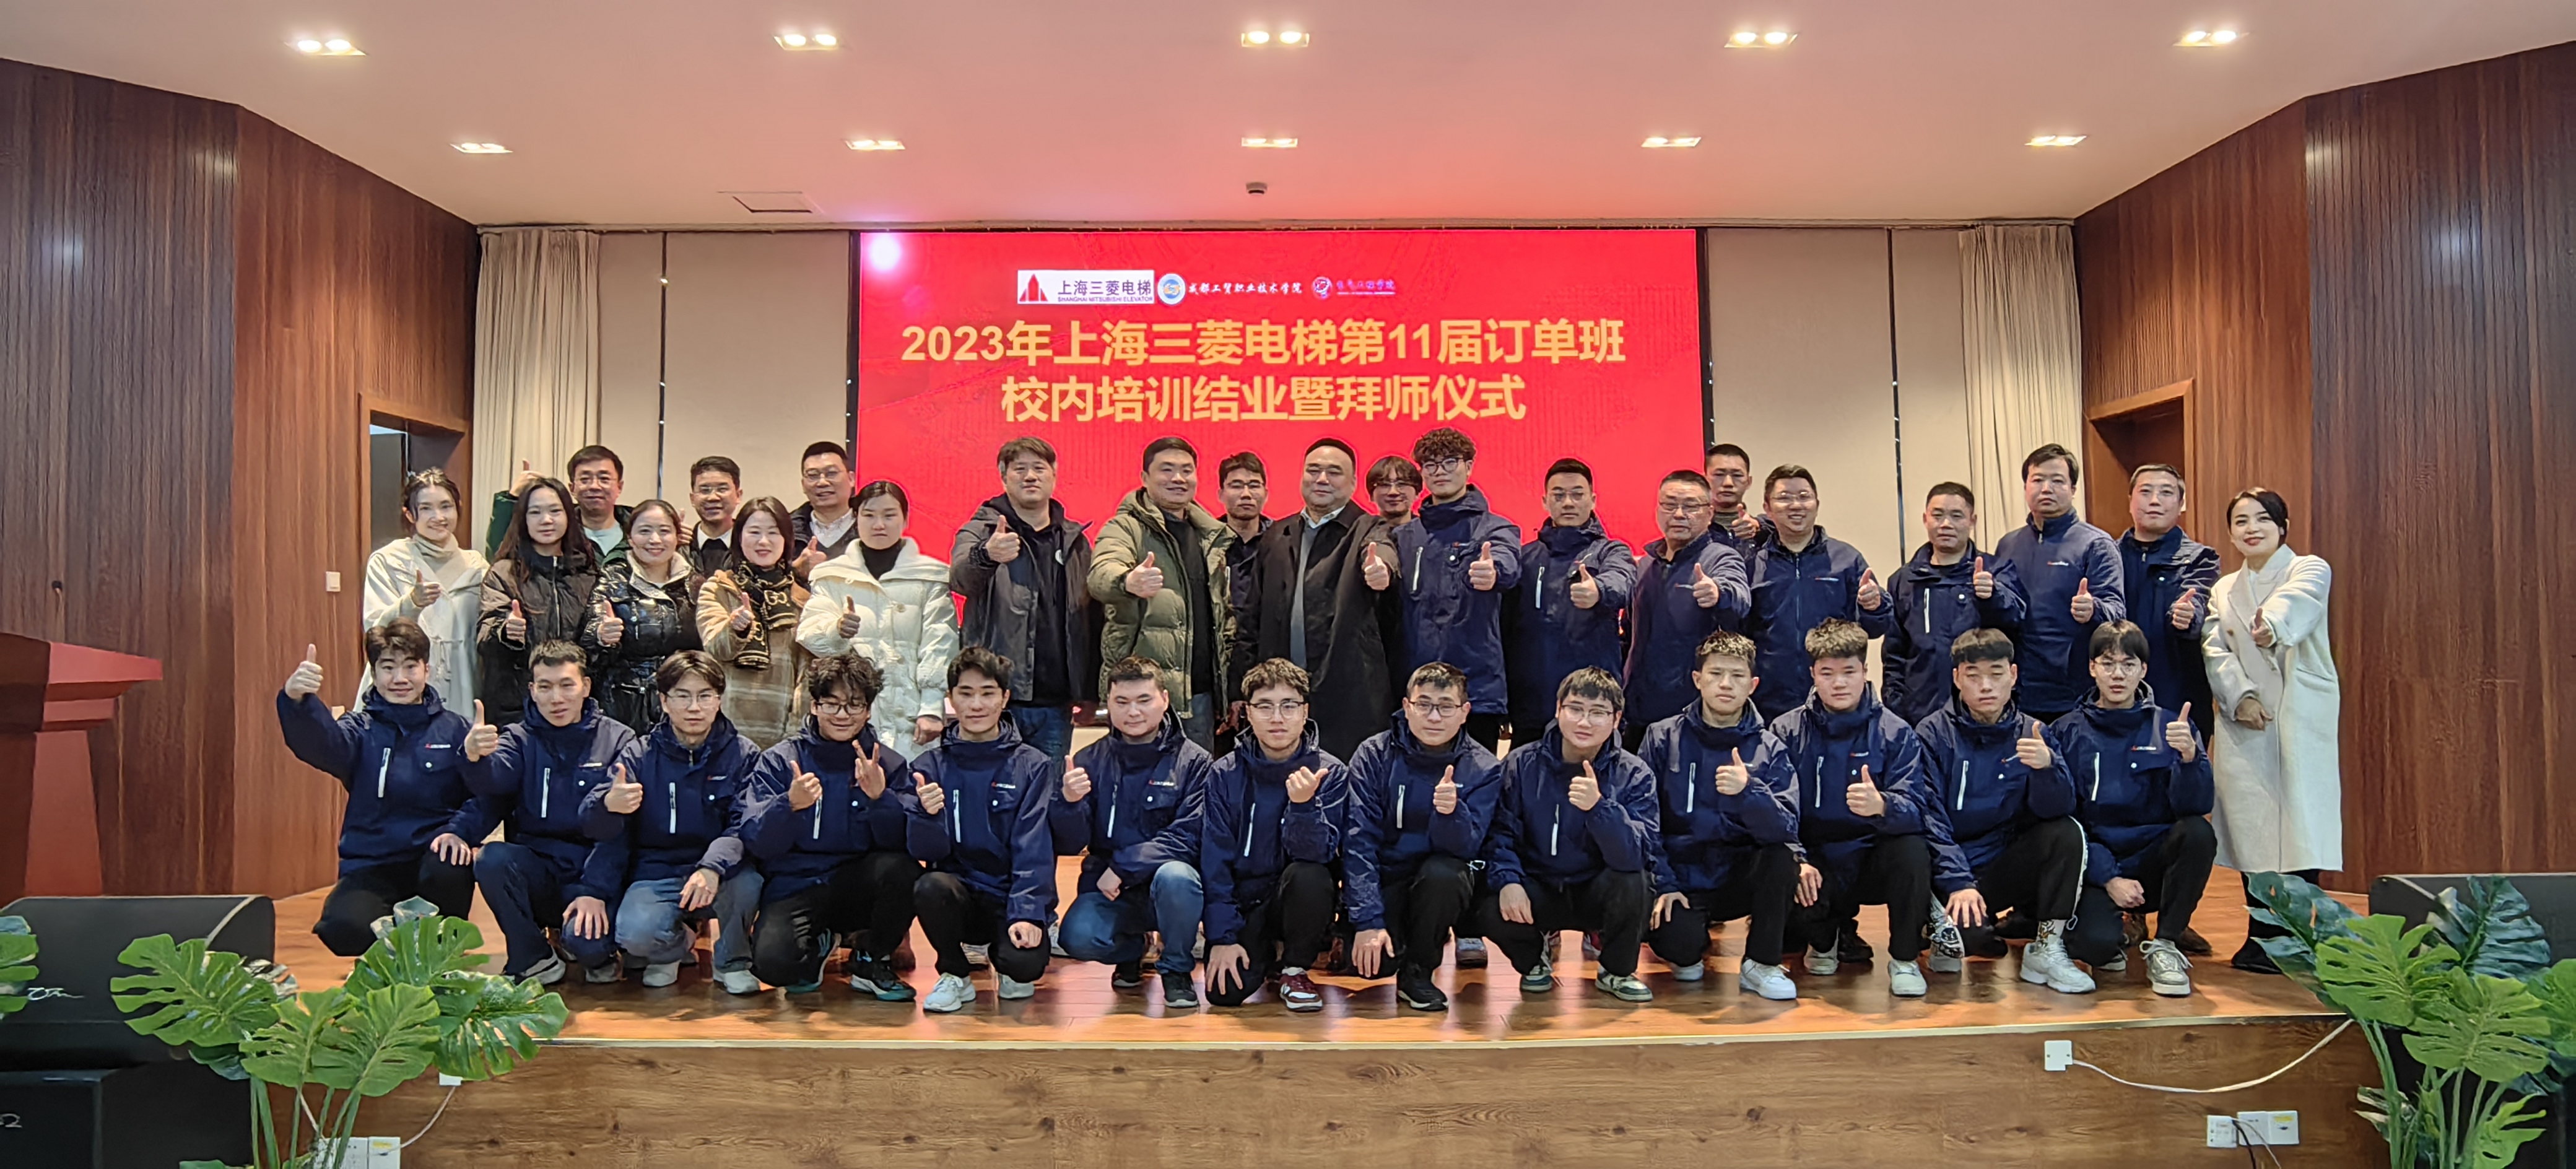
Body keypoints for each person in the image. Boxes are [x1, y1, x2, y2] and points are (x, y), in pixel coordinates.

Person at [276, 621, 480, 956]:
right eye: (388, 668)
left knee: (451, 862)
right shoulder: (359, 728)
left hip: (433, 860)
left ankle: (435, 948)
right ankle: (399, 941)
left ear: (426, 670)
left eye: (410, 667)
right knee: (342, 929)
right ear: (374, 674)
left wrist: (461, 831)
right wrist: (297, 700)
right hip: (372, 863)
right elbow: (323, 745)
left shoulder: (455, 729)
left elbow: (481, 795)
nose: (400, 678)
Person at [2203, 487, 2340, 975]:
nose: (2252, 528)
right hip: (2245, 719)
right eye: (2241, 521)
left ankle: (2299, 936)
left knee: (2299, 826)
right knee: (2252, 828)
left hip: (2298, 712)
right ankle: (2261, 936)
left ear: (2282, 527)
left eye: (2263, 519)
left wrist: (2271, 628)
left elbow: (2294, 605)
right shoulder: (2223, 589)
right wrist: (2239, 697)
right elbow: (2215, 649)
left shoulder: (2309, 568)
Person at [1910, 629, 2093, 994]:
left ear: (2013, 675)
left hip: (2001, 865)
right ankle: (1942, 926)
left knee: (2066, 831)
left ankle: (2047, 947)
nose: (1986, 686)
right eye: (1973, 676)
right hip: (1951, 871)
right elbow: (1929, 819)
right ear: (1957, 678)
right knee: (1967, 942)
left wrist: (2047, 770)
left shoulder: (2034, 732)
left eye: (1996, 674)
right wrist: (1958, 882)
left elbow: (2057, 810)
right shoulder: (1931, 733)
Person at [1772, 620, 1940, 998]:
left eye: (1849, 672)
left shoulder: (1896, 732)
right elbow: (1777, 809)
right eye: (1827, 673)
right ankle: (1824, 939)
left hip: (1870, 858)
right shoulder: (1786, 731)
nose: (1839, 683)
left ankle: (1905, 960)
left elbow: (1918, 809)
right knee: (1779, 866)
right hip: (1816, 861)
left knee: (1912, 849)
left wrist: (1884, 805)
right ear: (1813, 674)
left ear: (1865, 671)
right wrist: (1797, 858)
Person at [579, 651, 765, 992]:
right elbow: (593, 821)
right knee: (633, 933)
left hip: (721, 868)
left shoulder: (744, 754)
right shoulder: (639, 753)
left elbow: (744, 824)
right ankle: (674, 949)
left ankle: (732, 960)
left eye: (705, 696)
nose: (694, 708)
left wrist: (711, 867)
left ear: (719, 700)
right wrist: (608, 804)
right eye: (682, 696)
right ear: (664, 701)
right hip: (658, 870)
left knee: (749, 884)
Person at [739, 654, 921, 999]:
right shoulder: (779, 760)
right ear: (814, 706)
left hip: (857, 884)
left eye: (854, 705)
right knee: (774, 968)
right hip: (796, 883)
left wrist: (880, 799)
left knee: (905, 871)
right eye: (832, 704)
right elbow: (756, 842)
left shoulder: (888, 764)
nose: (842, 714)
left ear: (868, 711)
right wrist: (788, 805)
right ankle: (820, 944)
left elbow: (908, 843)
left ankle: (870, 957)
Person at [1473, 667, 1659, 1002]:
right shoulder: (1520, 764)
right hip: (1539, 886)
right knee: (1486, 901)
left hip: (1595, 889)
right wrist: (1509, 882)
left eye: (1598, 712)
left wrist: (1600, 809)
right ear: (1558, 709)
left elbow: (1635, 855)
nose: (1584, 722)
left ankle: (1616, 971)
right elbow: (1499, 834)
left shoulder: (1634, 773)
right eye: (1575, 709)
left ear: (1616, 719)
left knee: (1636, 881)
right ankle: (1534, 960)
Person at [1638, 632, 1803, 1001]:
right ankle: (1689, 944)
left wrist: (1749, 792)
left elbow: (1785, 828)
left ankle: (1761, 964)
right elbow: (1645, 823)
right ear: (1698, 679)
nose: (1726, 684)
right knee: (1681, 950)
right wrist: (1664, 884)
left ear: (1753, 685)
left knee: (1782, 856)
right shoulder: (1662, 738)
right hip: (1682, 879)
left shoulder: (1770, 747)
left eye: (1737, 676)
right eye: (1715, 674)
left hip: (1739, 877)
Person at [459, 640, 637, 983]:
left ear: (586, 687)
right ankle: (533, 957)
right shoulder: (518, 738)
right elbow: (494, 780)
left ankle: (584, 942)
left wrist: (594, 891)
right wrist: (474, 757)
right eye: (545, 687)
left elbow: (622, 832)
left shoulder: (620, 740)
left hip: (591, 869)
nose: (557, 699)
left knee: (589, 949)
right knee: (492, 859)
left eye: (567, 685)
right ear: (532, 691)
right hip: (539, 869)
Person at [2053, 622, 2214, 997]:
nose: (2118, 675)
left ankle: (2167, 943)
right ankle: (2110, 933)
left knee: (2198, 832)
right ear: (2092, 668)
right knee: (2094, 946)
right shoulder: (2066, 732)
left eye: (2128, 665)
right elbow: (2067, 822)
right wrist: (2109, 877)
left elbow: (2196, 806)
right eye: (2108, 664)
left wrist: (2189, 758)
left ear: (2143, 670)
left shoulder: (2171, 726)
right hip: (2096, 865)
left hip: (2153, 860)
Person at [1050, 656, 1212, 1010]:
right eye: (1121, 702)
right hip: (1109, 890)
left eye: (1143, 700)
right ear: (1108, 704)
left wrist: (1125, 866)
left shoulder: (1195, 761)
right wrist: (1069, 803)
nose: (1133, 712)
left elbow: (1189, 835)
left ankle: (1176, 969)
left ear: (1165, 700)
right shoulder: (1089, 759)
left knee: (1178, 876)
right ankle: (1133, 949)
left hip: (1167, 889)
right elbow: (1070, 842)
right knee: (1076, 937)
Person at [904, 646, 1060, 1013]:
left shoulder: (1033, 765)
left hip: (1008, 899)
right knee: (929, 886)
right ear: (951, 699)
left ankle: (1003, 959)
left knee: (1023, 969)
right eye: (966, 693)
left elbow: (1034, 847)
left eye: (988, 693)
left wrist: (1026, 912)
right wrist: (926, 815)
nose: (976, 705)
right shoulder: (929, 766)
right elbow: (925, 852)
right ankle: (954, 973)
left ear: (1004, 698)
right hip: (961, 898)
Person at [1227, 438, 1402, 762]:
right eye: (1314, 470)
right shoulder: (1276, 535)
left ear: (1353, 483)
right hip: (1281, 697)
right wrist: (1240, 686)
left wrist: (1382, 569)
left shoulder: (1368, 528)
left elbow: (1382, 551)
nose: (1322, 479)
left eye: (1334, 472)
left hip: (1349, 696)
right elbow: (1250, 619)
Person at [1344, 663, 1504, 1012]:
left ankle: (1419, 972)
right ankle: (1374, 937)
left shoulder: (1484, 768)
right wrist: (1368, 921)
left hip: (1439, 883)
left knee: (1447, 874)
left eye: (1446, 707)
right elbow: (1358, 841)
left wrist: (1451, 814)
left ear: (1465, 712)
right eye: (1424, 705)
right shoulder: (1373, 755)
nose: (1434, 717)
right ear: (1406, 706)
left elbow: (1468, 849)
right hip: (1388, 878)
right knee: (1371, 967)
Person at [1201, 658, 1349, 1011]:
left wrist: (1303, 806)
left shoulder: (1330, 772)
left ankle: (1295, 967)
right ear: (1248, 713)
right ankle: (1268, 956)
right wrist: (1223, 937)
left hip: (1298, 898)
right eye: (1265, 707)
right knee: (1224, 994)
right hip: (1246, 905)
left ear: (1305, 712)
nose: (1277, 718)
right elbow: (1214, 860)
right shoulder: (1223, 774)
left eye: (1289, 706)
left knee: (1310, 875)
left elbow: (1320, 854)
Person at [951, 437, 1096, 760]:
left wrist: (1088, 690)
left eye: (1039, 468)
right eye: (1020, 469)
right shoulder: (982, 529)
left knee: (1048, 788)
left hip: (1056, 703)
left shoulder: (1075, 540)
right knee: (993, 786)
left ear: (1054, 474)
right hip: (996, 697)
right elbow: (959, 579)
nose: (1030, 476)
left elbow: (1088, 618)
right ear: (1004, 477)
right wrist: (986, 555)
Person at [1089, 437, 1235, 749]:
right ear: (1145, 478)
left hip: (1200, 697)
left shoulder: (1209, 535)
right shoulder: (1125, 527)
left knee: (1196, 777)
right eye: (1166, 470)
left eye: (1187, 470)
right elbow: (1100, 575)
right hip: (1140, 696)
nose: (1178, 478)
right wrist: (1127, 581)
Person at [797, 480, 957, 752]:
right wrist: (837, 630)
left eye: (889, 515)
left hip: (911, 715)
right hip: (847, 715)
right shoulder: (832, 575)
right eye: (869, 515)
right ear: (856, 518)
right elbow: (809, 634)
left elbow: (941, 643)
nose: (879, 524)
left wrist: (932, 707)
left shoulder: (931, 576)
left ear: (906, 519)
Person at [1393, 428, 1523, 752]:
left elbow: (1507, 561)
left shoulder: (1495, 528)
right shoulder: (1405, 536)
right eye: (1431, 465)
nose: (1440, 471)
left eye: (1450, 462)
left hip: (1475, 692)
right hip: (1416, 691)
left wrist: (1493, 571)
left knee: (1475, 780)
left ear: (1469, 466)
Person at [1745, 466, 1895, 721]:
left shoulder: (1846, 559)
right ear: (1767, 509)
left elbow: (1874, 628)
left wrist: (1874, 606)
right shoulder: (1753, 566)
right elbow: (1741, 634)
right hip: (1769, 702)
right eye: (1784, 498)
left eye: (1804, 496)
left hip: (1835, 698)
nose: (1796, 505)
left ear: (1817, 504)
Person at [1505, 458, 1638, 742]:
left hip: (1591, 705)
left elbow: (1623, 580)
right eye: (1559, 495)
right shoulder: (1524, 558)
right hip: (1531, 706)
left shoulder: (1610, 551)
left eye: (1577, 494)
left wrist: (1599, 589)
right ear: (1545, 501)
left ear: (1593, 500)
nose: (1568, 503)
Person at [1995, 443, 2126, 721]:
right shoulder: (2008, 544)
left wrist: (2094, 609)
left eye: (2057, 481)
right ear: (2025, 486)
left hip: (2076, 694)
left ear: (2073, 489)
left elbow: (2117, 611)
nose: (2046, 489)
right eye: (2038, 480)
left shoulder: (2096, 544)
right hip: (2019, 691)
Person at [1622, 470, 1752, 745]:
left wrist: (1718, 593)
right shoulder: (1645, 565)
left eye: (1691, 506)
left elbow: (1740, 598)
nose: (1679, 514)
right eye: (1670, 505)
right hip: (1637, 711)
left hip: (1692, 714)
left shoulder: (1720, 557)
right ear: (1658, 510)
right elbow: (1629, 633)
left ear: (1709, 513)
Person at [1882, 482, 2027, 725]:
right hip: (1921, 713)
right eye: (1938, 515)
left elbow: (2016, 622)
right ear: (1925, 519)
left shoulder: (1996, 570)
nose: (1946, 524)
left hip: (1984, 713)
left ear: (1972, 521)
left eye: (1956, 516)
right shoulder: (1903, 580)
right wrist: (1896, 708)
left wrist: (1992, 596)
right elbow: (1894, 655)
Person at [360, 467, 488, 720]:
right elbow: (375, 629)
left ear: (458, 508)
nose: (438, 517)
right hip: (402, 685)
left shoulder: (478, 567)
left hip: (463, 684)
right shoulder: (389, 561)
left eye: (446, 506)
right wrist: (411, 603)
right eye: (426, 508)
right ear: (410, 514)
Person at [476, 477, 603, 726]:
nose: (546, 520)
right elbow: (485, 639)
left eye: (555, 511)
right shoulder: (504, 573)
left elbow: (597, 654)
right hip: (517, 710)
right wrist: (505, 632)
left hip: (576, 707)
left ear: (569, 515)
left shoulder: (589, 573)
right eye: (535, 512)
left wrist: (603, 637)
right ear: (523, 519)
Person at [695, 497, 811, 751]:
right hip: (723, 731)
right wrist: (736, 628)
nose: (763, 541)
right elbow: (716, 647)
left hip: (781, 733)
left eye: (773, 533)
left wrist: (795, 734)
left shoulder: (802, 598)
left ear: (787, 539)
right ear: (739, 537)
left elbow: (806, 676)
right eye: (754, 532)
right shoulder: (719, 588)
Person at [581, 500, 703, 732]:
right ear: (630, 538)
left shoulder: (696, 584)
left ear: (678, 537)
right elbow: (587, 647)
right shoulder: (612, 580)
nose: (655, 540)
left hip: (683, 706)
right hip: (623, 709)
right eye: (645, 531)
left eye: (664, 531)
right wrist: (601, 636)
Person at [2118, 465, 2221, 733]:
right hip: (2116, 694)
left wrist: (2188, 616)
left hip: (2177, 693)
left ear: (2181, 504)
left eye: (2166, 493)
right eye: (2146, 492)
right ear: (2130, 500)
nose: (2155, 500)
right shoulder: (2108, 555)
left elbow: (2198, 599)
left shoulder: (2201, 559)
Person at [1214, 450, 1273, 755]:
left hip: (1270, 667)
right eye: (1236, 485)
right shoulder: (1206, 543)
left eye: (1254, 485)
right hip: (1216, 669)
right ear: (1221, 494)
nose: (1246, 494)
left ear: (1266, 492)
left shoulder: (1282, 540)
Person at [484, 446, 634, 565]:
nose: (595, 486)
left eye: (604, 479)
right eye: (585, 479)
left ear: (619, 487)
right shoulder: (556, 528)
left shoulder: (638, 529)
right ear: (572, 488)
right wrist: (512, 498)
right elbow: (499, 558)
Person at [790, 440, 858, 578]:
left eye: (831, 473)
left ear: (851, 479)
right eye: (813, 475)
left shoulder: (872, 529)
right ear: (803, 485)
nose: (822, 482)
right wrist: (795, 571)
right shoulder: (785, 530)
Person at [685, 455, 744, 576]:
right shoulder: (681, 549)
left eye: (722, 489)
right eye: (705, 490)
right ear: (692, 498)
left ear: (738, 496)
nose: (713, 498)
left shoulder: (750, 547)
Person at [1704, 442, 1768, 549]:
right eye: (1719, 475)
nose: (1728, 483)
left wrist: (1760, 529)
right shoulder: (1693, 532)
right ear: (1705, 480)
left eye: (1737, 475)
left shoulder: (1765, 533)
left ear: (1749, 482)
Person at [1367, 454, 1423, 526]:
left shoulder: (1428, 530)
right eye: (1385, 485)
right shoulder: (1360, 531)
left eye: (1401, 484)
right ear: (1371, 495)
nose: (1393, 492)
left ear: (1417, 493)